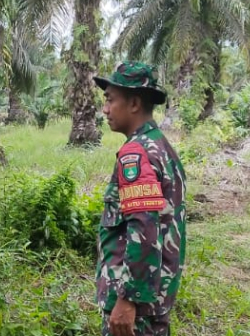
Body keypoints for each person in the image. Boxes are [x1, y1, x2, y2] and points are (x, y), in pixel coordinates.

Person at [93, 61, 187, 336]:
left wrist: (128, 299)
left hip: (136, 307)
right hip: (154, 299)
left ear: (134, 103)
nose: (105, 109)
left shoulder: (136, 153)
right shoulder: (161, 146)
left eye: (110, 100)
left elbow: (143, 227)